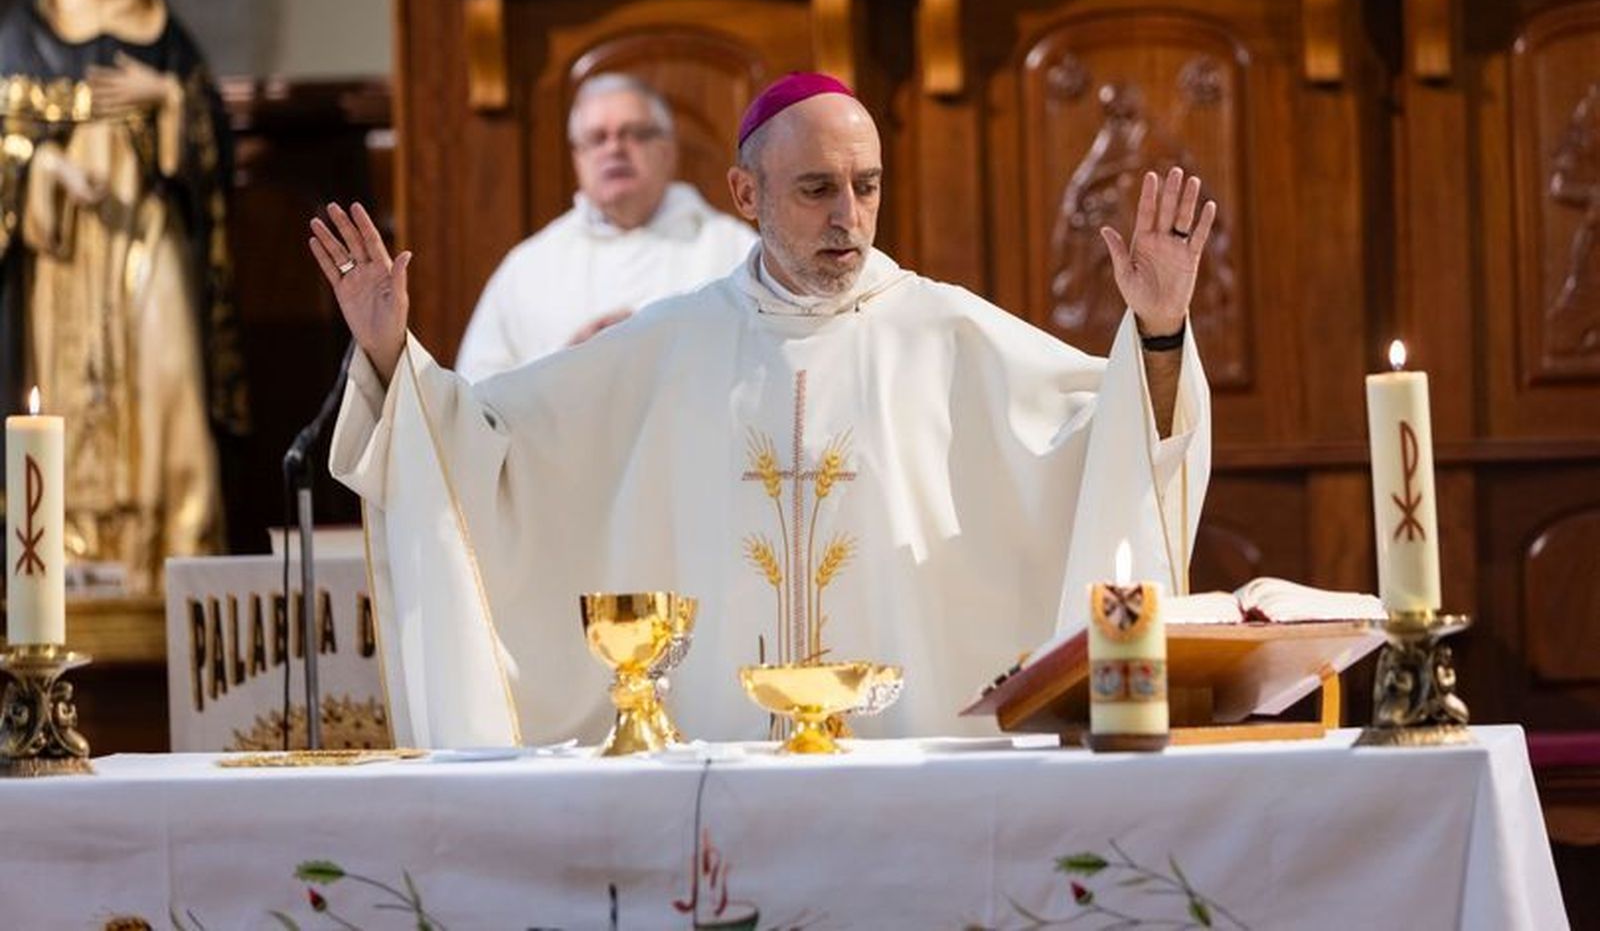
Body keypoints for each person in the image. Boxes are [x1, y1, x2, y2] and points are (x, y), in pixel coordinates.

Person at [310, 73, 1215, 748]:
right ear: (747, 195)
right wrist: (391, 354)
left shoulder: (950, 331)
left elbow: (1122, 442)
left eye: (866, 185)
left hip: (910, 768)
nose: (848, 217)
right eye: (817, 187)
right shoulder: (666, 344)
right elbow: (490, 452)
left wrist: (1161, 329)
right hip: (713, 766)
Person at [0, 0, 246, 592]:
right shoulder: (25, 33)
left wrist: (167, 98)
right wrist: (46, 166)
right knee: (68, 394)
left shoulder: (166, 36)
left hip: (146, 236)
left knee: (169, 378)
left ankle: (177, 550)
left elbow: (209, 159)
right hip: (65, 254)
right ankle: (68, 559)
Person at [454, 74, 756, 380]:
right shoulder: (527, 267)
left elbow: (777, 367)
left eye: (634, 134)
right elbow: (476, 396)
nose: (614, 149)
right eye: (597, 138)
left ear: (668, 150)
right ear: (578, 158)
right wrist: (563, 368)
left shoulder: (734, 251)